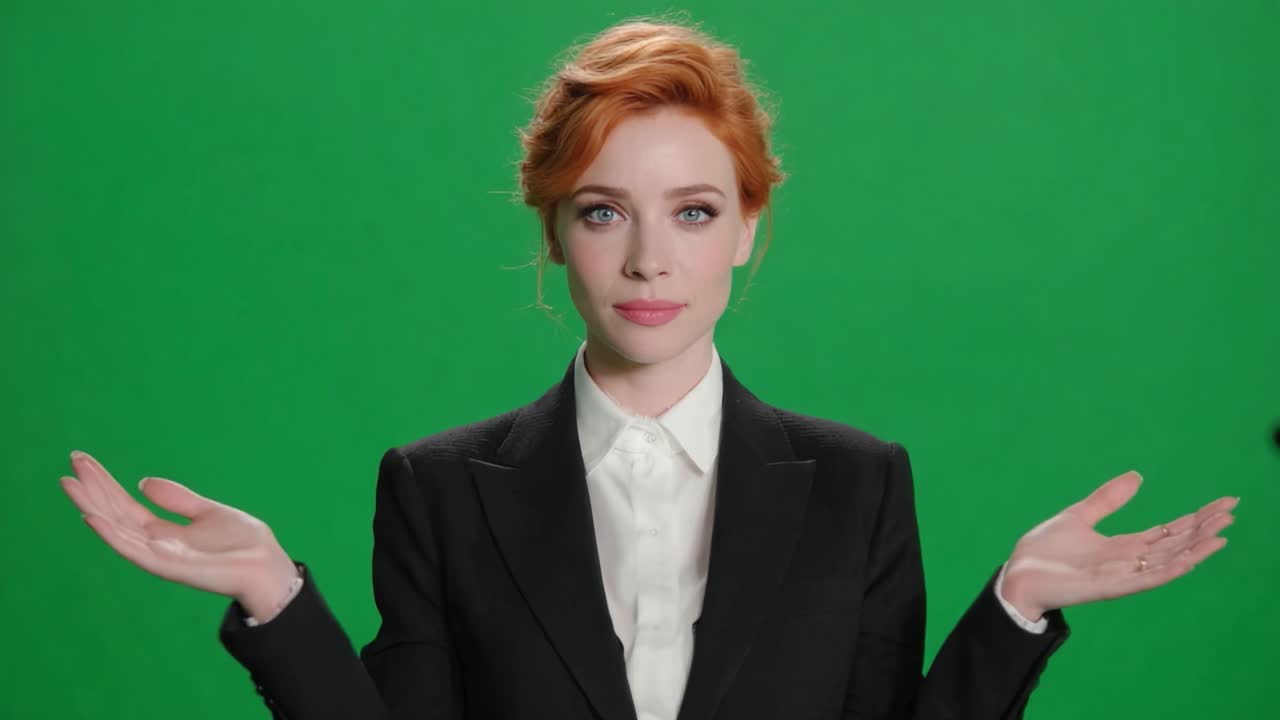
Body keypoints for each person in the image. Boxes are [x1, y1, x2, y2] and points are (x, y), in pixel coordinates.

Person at [59, 16, 1237, 720]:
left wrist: (1013, 608)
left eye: (690, 209)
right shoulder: (436, 487)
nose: (645, 259)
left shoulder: (858, 484)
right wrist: (275, 597)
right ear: (555, 233)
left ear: (745, 231)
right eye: (602, 211)